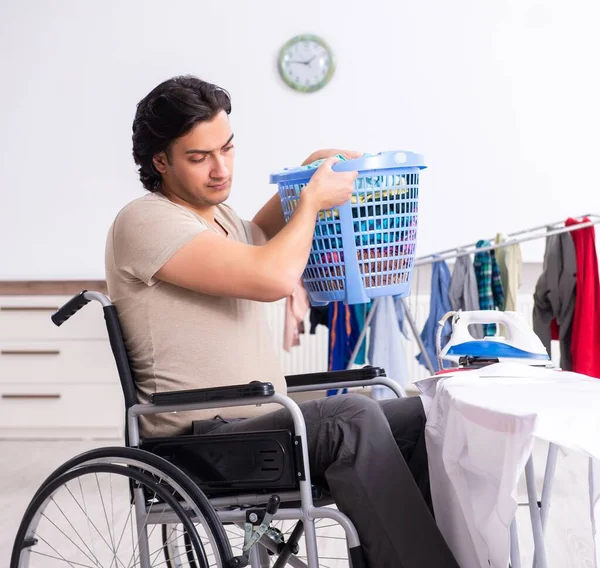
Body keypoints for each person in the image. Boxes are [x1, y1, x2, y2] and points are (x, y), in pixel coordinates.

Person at [105, 75, 458, 567]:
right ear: (160, 161)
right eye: (199, 157)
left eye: (226, 149)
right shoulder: (147, 220)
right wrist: (311, 201)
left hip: (261, 430)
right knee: (351, 417)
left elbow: (268, 231)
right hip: (199, 446)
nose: (220, 168)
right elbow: (272, 274)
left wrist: (316, 164)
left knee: (424, 416)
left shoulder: (218, 219)